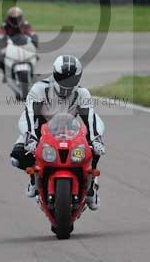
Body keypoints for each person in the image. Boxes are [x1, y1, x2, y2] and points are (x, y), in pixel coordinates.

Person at [9, 55, 106, 210]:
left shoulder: (82, 94)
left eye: (71, 80)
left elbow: (91, 118)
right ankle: (35, 179)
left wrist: (96, 140)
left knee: (94, 149)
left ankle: (90, 187)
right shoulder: (39, 89)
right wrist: (30, 137)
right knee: (16, 158)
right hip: (39, 130)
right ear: (54, 74)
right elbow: (28, 115)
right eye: (62, 78)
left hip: (71, 130)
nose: (66, 83)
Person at [0, 6, 38, 81]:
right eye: (13, 19)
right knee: (0, 60)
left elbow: (33, 34)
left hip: (24, 45)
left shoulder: (25, 24)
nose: (15, 21)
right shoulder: (4, 25)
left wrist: (34, 41)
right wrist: (2, 44)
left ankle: (31, 73)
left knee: (35, 56)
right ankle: (6, 73)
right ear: (9, 18)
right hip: (9, 46)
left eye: (17, 18)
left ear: (21, 17)